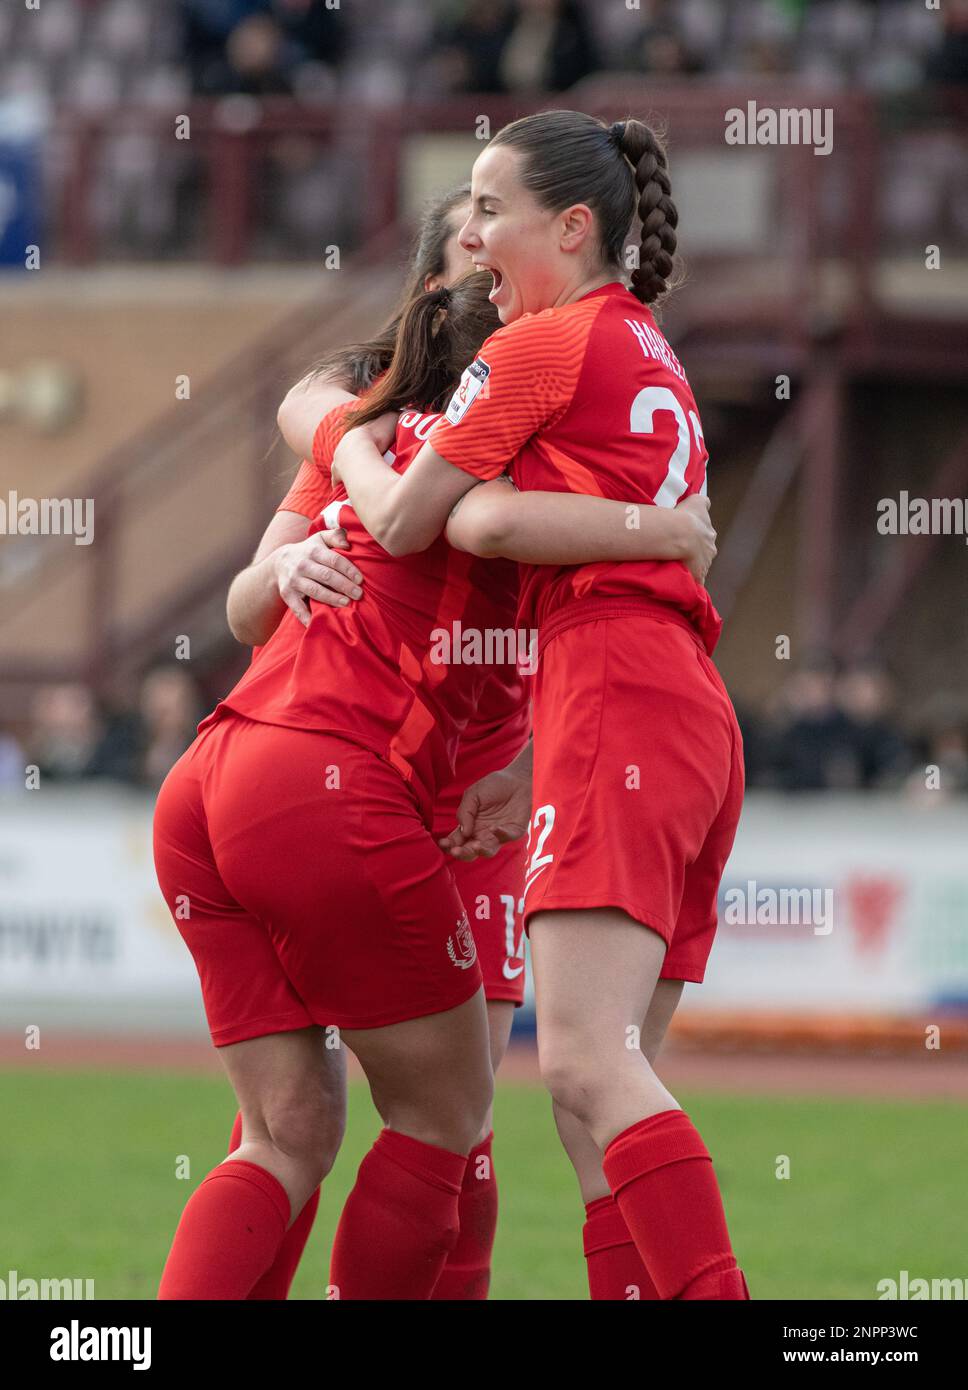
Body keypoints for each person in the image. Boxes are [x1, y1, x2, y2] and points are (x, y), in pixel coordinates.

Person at [155, 267, 716, 1300]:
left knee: (289, 1132)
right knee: (449, 1124)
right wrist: (670, 530)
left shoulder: (365, 431)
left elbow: (331, 429)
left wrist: (342, 441)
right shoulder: (490, 453)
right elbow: (469, 528)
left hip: (231, 776)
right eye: (474, 241)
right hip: (357, 795)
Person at [291, 109, 749, 1299]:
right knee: (603, 1112)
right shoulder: (651, 347)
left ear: (572, 225)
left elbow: (416, 518)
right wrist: (648, 531)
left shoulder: (541, 343)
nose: (472, 235)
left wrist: (344, 437)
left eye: (490, 210)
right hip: (686, 704)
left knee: (585, 1069)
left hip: (611, 682)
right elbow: (522, 522)